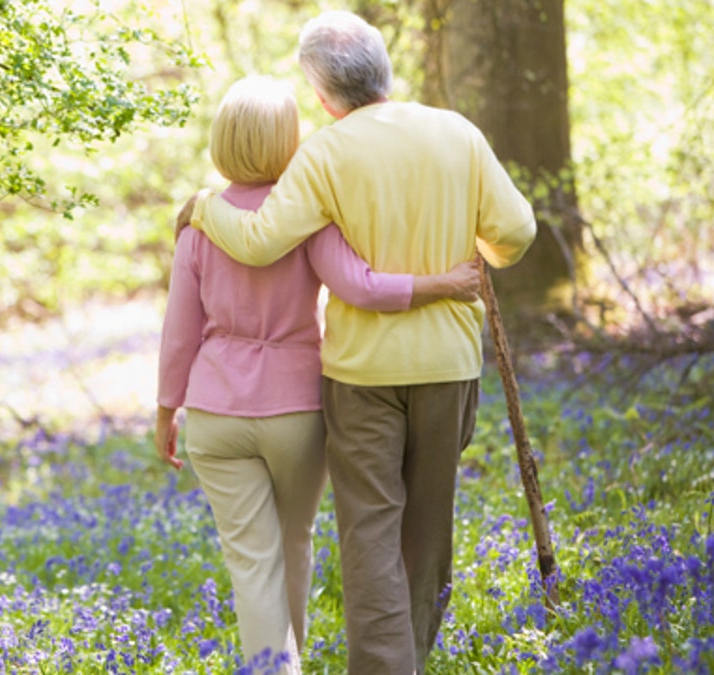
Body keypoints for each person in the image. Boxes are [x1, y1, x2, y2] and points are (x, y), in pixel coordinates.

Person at [181, 12, 537, 675]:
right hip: (447, 366)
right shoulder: (456, 134)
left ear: (321, 95)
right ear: (387, 73)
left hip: (361, 374)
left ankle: (383, 668)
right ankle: (412, 659)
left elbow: (260, 242)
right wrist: (465, 238)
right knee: (428, 529)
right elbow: (515, 236)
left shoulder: (325, 152)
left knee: (369, 529)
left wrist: (204, 207)